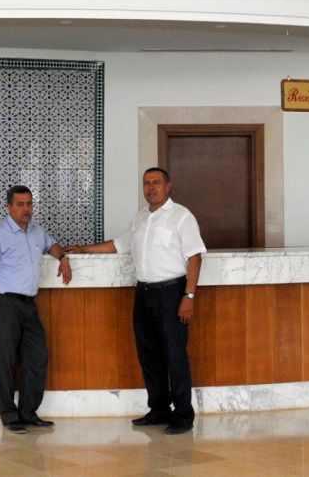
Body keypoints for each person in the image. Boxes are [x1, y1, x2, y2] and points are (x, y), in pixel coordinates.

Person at [69, 167, 205, 435]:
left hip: (172, 293)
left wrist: (188, 296)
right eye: (146, 183)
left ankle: (183, 415)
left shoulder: (182, 217)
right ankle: (159, 409)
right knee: (149, 355)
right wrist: (84, 249)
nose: (151, 187)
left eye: (156, 182)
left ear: (168, 186)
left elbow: (195, 257)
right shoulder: (140, 218)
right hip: (143, 294)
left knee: (175, 356)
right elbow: (119, 244)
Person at [0, 185, 72, 434]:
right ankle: (10, 416)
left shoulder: (36, 231)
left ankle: (28, 413)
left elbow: (52, 245)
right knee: (5, 361)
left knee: (37, 357)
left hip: (29, 305)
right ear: (9, 207)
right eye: (20, 204)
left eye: (29, 203)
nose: (26, 209)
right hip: (4, 304)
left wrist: (63, 258)